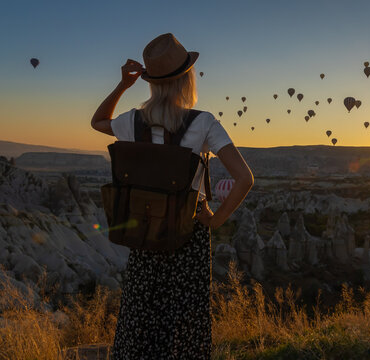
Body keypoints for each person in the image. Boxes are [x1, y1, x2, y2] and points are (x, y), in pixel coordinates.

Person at [90, 33, 254, 359]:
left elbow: (97, 122)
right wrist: (214, 219)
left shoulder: (131, 121)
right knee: (184, 322)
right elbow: (244, 178)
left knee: (142, 317)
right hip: (187, 235)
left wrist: (123, 84)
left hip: (144, 230)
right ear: (187, 79)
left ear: (151, 83)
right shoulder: (203, 123)